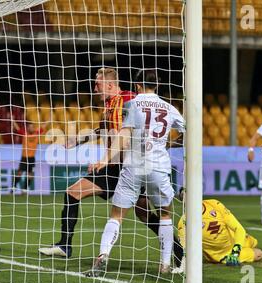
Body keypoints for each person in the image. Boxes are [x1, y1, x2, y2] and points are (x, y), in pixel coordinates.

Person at [38, 68, 180, 259]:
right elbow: (103, 128)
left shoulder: (129, 99)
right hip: (113, 168)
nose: (95, 89)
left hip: (130, 168)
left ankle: (179, 251)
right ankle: (64, 246)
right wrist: (79, 140)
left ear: (110, 85)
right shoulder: (109, 105)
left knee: (144, 213)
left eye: (98, 84)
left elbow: (134, 130)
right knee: (73, 192)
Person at [85, 69, 185, 277]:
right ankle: (165, 264)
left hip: (133, 166)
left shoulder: (132, 104)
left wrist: (105, 159)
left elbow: (123, 134)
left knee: (117, 215)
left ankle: (102, 257)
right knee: (164, 214)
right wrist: (171, 145)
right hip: (158, 167)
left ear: (138, 85)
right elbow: (188, 131)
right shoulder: (169, 108)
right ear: (156, 86)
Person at [177, 188, 262, 266]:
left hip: (232, 239)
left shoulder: (214, 204)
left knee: (253, 242)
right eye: (184, 198)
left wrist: (235, 252)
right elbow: (183, 249)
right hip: (221, 254)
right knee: (259, 254)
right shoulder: (184, 222)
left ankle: (241, 247)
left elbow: (238, 228)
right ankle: (240, 252)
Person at [11, 122, 39, 193]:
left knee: (30, 174)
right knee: (19, 173)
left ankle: (25, 189)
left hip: (32, 158)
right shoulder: (24, 133)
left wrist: (50, 119)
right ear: (27, 128)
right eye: (30, 127)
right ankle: (14, 187)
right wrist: (13, 121)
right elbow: (18, 129)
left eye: (32, 127)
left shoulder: (37, 133)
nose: (31, 128)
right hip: (24, 157)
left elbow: (44, 126)